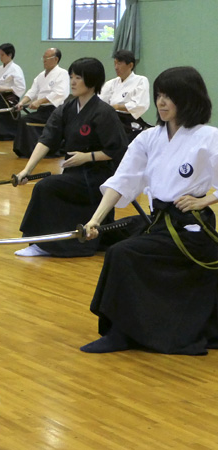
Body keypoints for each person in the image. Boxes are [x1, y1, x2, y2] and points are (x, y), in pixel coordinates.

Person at [81, 66, 218, 355]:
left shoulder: (208, 137)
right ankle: (126, 329)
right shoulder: (148, 138)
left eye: (170, 96)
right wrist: (94, 219)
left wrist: (204, 201)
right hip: (160, 224)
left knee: (122, 254)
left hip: (192, 231)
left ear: (190, 99)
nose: (162, 102)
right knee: (125, 244)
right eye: (159, 95)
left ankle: (118, 333)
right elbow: (123, 180)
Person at [14, 57, 127, 257]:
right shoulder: (66, 109)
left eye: (78, 78)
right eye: (71, 77)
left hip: (97, 177)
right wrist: (26, 170)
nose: (73, 82)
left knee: (45, 187)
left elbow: (118, 150)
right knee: (50, 186)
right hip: (74, 174)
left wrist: (88, 157)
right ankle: (41, 242)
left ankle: (43, 244)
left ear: (91, 81)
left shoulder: (104, 112)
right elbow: (47, 139)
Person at [12, 48, 70, 158]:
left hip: (54, 111)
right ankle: (26, 150)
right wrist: (21, 102)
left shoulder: (62, 73)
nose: (44, 60)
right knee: (23, 119)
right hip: (42, 110)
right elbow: (32, 91)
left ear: (56, 59)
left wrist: (39, 101)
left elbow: (60, 93)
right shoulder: (40, 75)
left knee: (26, 120)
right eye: (43, 58)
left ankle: (36, 150)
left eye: (47, 58)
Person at [99, 49, 150, 143]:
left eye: (119, 63)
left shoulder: (141, 80)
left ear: (130, 65)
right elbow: (100, 102)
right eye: (115, 63)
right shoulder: (111, 83)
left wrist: (115, 106)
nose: (116, 67)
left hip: (129, 124)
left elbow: (140, 105)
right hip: (111, 120)